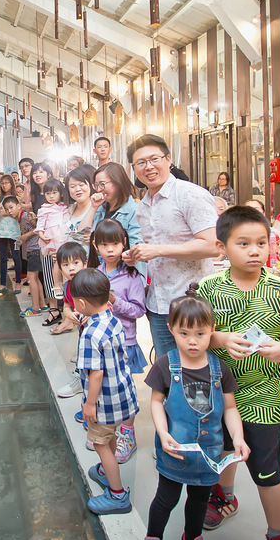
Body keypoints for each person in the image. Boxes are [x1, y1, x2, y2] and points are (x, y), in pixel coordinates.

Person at [195, 206, 280, 540]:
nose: (254, 250)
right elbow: (194, 332)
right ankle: (224, 498)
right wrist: (220, 339)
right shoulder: (208, 288)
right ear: (222, 248)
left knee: (267, 470)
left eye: (261, 243)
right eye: (243, 243)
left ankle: (278, 535)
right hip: (216, 392)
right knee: (223, 451)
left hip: (263, 396)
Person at [141, 291, 248, 540]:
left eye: (200, 334)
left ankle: (192, 538)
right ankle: (153, 538)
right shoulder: (165, 365)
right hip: (174, 450)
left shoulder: (220, 368)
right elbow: (156, 402)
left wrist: (237, 438)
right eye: (184, 333)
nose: (192, 341)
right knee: (166, 499)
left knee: (200, 500)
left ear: (212, 330)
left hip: (208, 454)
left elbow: (230, 408)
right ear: (171, 330)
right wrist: (163, 433)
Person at [122, 134, 218, 359]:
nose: (149, 167)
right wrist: (139, 255)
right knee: (166, 371)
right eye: (141, 163)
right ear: (134, 169)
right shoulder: (143, 206)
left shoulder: (190, 195)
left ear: (168, 159)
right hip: (157, 303)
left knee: (194, 371)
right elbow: (156, 250)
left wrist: (157, 250)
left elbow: (213, 245)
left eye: (154, 158)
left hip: (192, 302)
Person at [73, 268, 139, 515]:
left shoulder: (90, 333)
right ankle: (104, 470)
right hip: (122, 395)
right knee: (110, 435)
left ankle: (118, 494)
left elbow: (95, 372)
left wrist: (90, 404)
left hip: (102, 402)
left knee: (100, 443)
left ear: (81, 303)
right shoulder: (112, 318)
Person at [89, 219, 146, 464]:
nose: (110, 249)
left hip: (124, 342)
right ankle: (106, 432)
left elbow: (138, 310)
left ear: (124, 243)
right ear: (95, 246)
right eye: (104, 244)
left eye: (115, 243)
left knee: (125, 388)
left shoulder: (132, 275)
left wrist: (115, 300)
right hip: (100, 342)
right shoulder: (94, 274)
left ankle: (127, 434)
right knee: (104, 387)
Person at [35, 179, 69, 319]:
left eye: (54, 193)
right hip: (50, 241)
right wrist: (42, 236)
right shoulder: (44, 209)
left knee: (65, 270)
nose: (51, 196)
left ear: (61, 193)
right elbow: (40, 226)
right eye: (48, 193)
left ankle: (66, 308)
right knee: (51, 269)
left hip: (64, 240)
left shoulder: (65, 207)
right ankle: (53, 308)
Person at [18, 194, 45, 317]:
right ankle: (42, 304)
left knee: (31, 277)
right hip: (33, 249)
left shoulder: (26, 216)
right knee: (35, 278)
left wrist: (25, 236)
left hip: (35, 249)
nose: (9, 211)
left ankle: (35, 308)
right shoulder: (21, 217)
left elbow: (38, 228)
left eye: (11, 207)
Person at [0, 195, 23, 296]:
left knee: (16, 257)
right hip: (1, 232)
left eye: (6, 182)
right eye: (2, 183)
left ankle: (18, 283)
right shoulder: (0, 198)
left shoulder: (16, 198)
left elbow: (17, 214)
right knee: (3, 258)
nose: (3, 185)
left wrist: (5, 212)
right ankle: (2, 284)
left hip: (14, 232)